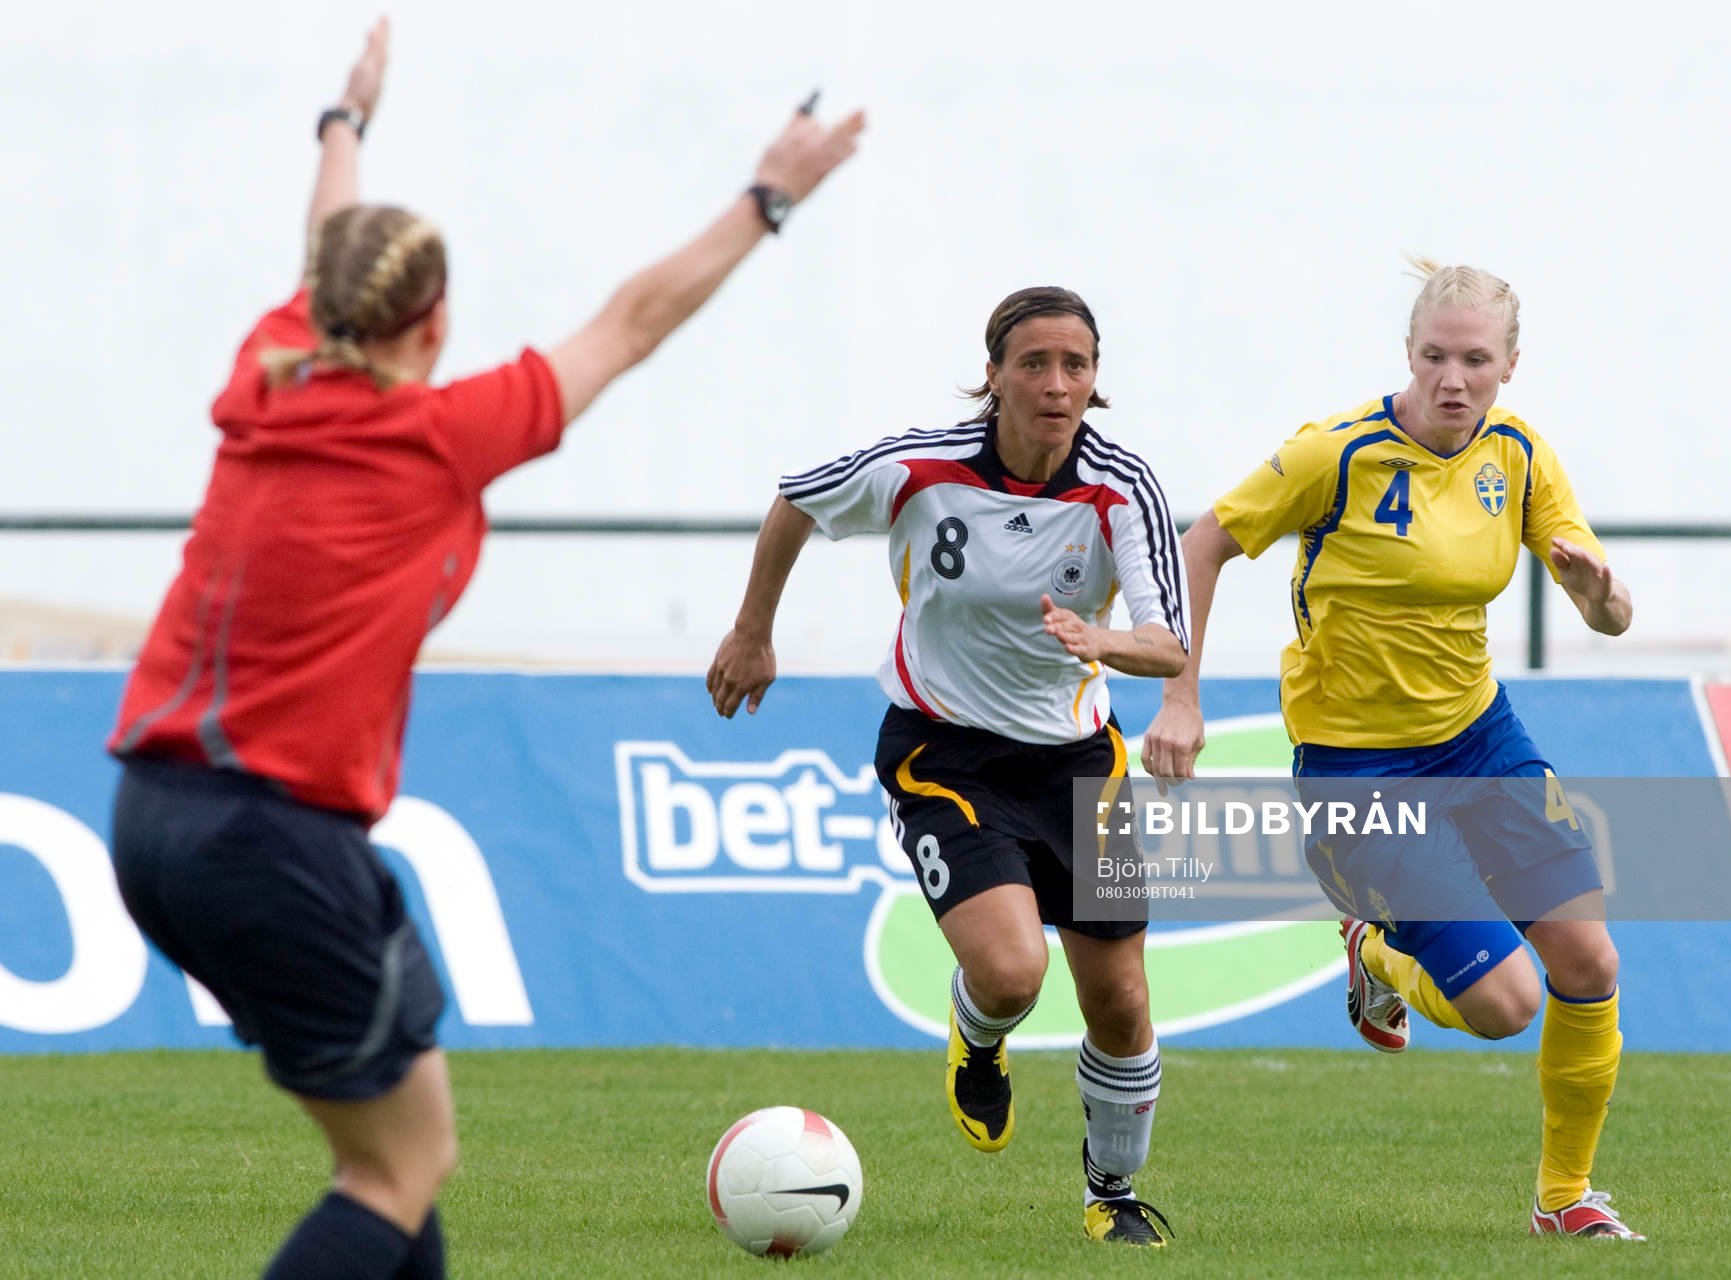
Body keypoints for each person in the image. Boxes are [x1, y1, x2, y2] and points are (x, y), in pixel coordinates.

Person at [105, 21, 863, 1279]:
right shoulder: (440, 436)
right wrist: (771, 193)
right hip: (268, 837)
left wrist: (342, 124)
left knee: (409, 1160)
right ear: (432, 319)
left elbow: (328, 244)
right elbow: (633, 320)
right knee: (393, 1170)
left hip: (155, 813)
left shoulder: (269, 374)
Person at [1142, 258, 1642, 1239]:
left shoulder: (1520, 455)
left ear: (1509, 363)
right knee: (1505, 1004)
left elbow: (1612, 611)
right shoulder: (1335, 454)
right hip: (1357, 768)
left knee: (1587, 956)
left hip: (1480, 738)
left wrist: (1597, 594)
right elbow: (1198, 544)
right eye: (1433, 356)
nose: (1452, 378)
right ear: (1406, 353)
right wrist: (1180, 691)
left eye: (1474, 359)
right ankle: (1371, 948)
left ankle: (1564, 1197)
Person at [707, 286, 1191, 1247]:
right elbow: (796, 500)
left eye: (1076, 367)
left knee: (1121, 999)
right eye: (1034, 364)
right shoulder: (918, 468)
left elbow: (1167, 646)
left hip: (1078, 763)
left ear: (1096, 382)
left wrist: (1101, 637)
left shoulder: (1122, 486)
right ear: (994, 375)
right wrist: (752, 629)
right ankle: (978, 1039)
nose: (1056, 386)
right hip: (945, 752)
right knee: (1012, 974)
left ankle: (1111, 1194)